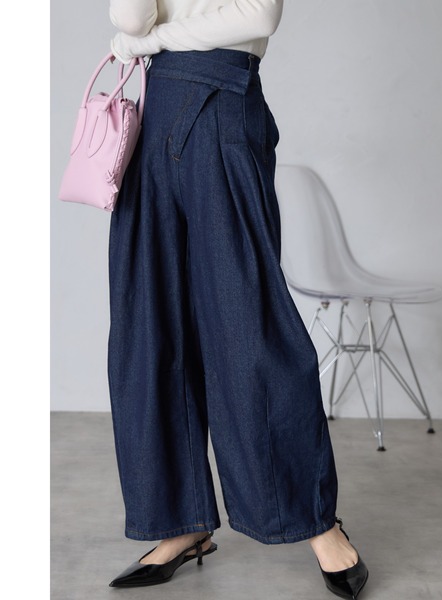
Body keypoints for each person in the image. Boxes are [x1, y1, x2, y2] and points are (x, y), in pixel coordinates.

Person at [106, 1, 369, 598]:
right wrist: (144, 39)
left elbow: (257, 16)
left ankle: (316, 523)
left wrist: (153, 41)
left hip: (223, 105)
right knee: (149, 329)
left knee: (248, 325)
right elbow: (130, 21)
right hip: (155, 111)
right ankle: (180, 523)